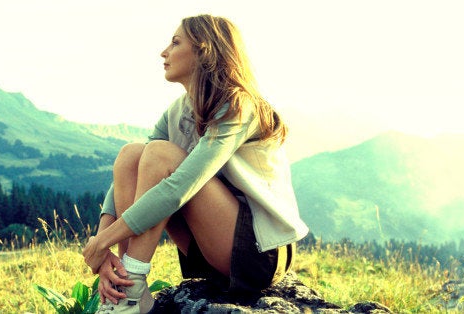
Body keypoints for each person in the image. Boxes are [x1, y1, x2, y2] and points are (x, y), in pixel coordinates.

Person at [82, 14, 309, 314]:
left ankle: (130, 289)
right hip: (209, 248)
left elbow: (180, 187)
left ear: (205, 51)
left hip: (258, 254)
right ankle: (124, 288)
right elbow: (129, 175)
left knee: (160, 155)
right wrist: (102, 245)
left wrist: (103, 242)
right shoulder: (177, 110)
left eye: (175, 43)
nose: (164, 52)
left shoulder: (239, 105)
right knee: (132, 154)